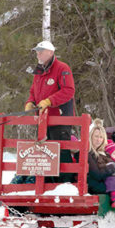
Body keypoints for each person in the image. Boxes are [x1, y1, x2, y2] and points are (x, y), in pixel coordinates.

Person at [24, 40, 76, 183]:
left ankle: (66, 184)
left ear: (51, 52)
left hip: (60, 119)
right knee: (44, 153)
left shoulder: (62, 68)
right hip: (42, 121)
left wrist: (49, 101)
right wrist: (30, 102)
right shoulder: (39, 71)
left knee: (61, 152)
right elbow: (33, 91)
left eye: (41, 51)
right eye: (37, 51)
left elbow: (68, 91)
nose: (38, 54)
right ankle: (47, 184)